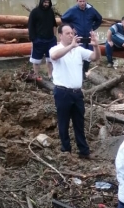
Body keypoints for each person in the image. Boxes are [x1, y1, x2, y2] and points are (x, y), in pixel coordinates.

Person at [49, 24, 101, 159]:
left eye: (72, 33)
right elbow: (54, 56)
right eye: (67, 33)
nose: (71, 35)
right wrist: (71, 46)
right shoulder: (55, 48)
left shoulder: (79, 50)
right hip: (62, 92)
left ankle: (83, 151)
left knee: (79, 122)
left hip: (77, 93)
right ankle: (66, 151)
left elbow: (95, 57)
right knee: (63, 123)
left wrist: (95, 45)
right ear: (60, 35)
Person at [60, 0, 102, 75]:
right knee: (77, 54)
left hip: (89, 37)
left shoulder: (91, 10)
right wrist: (71, 28)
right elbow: (63, 19)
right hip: (78, 37)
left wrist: (93, 27)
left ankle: (85, 71)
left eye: (83, 1)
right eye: (80, 1)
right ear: (77, 1)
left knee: (89, 55)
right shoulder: (72, 10)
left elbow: (99, 19)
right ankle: (77, 72)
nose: (82, 3)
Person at [27, 0, 57, 80]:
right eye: (44, 2)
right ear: (41, 2)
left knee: (50, 59)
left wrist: (54, 37)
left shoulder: (51, 12)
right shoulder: (34, 12)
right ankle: (36, 76)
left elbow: (54, 24)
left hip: (50, 40)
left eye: (47, 2)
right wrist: (33, 39)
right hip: (38, 40)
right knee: (36, 60)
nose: (46, 4)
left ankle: (50, 75)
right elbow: (30, 26)